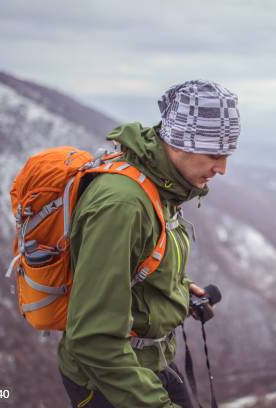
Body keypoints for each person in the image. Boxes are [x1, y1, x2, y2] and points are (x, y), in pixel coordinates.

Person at [57, 80, 241, 407]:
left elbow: (133, 270)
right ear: (182, 142)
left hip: (147, 360)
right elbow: (92, 339)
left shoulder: (161, 185)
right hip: (109, 379)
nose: (222, 169)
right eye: (215, 153)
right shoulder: (122, 206)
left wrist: (177, 292)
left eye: (227, 154)